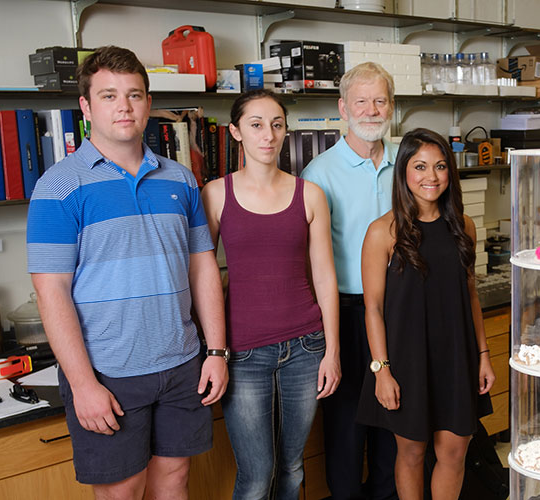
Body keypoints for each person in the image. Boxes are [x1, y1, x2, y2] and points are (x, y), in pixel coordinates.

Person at [27, 45, 228, 499]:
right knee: (123, 490)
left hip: (181, 362)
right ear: (86, 106)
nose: (124, 106)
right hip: (108, 371)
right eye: (109, 95)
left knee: (174, 479)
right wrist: (82, 385)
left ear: (148, 104)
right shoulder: (59, 186)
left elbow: (202, 268)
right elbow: (51, 293)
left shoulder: (180, 178)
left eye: (134, 95)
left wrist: (215, 350)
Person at [201, 90, 341, 500]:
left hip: (305, 346)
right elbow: (202, 275)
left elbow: (325, 277)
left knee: (292, 468)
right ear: (236, 132)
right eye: (256, 125)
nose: (268, 135)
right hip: (242, 353)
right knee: (257, 474)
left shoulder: (310, 194)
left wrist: (332, 351)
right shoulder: (215, 194)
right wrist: (213, 351)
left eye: (277, 125)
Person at [356, 128, 495, 500]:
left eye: (439, 166)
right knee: (412, 452)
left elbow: (470, 295)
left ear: (450, 172)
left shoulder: (463, 227)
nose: (430, 177)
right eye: (419, 167)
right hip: (407, 360)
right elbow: (372, 309)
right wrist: (381, 370)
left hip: (456, 357)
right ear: (404, 172)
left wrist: (483, 356)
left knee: (454, 451)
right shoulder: (382, 232)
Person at [300, 61, 399, 500]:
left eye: (380, 100)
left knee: (394, 421)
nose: (371, 110)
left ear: (392, 107)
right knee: (345, 427)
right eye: (361, 101)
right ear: (343, 107)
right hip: (344, 311)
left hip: (399, 310)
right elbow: (307, 259)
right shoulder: (318, 174)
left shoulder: (409, 166)